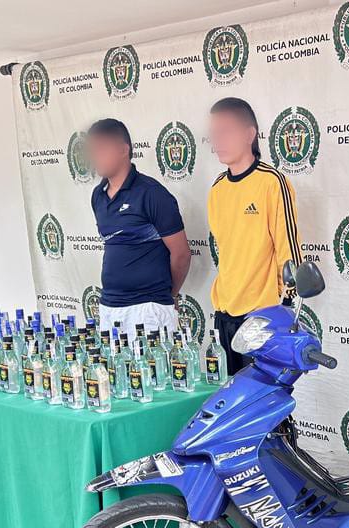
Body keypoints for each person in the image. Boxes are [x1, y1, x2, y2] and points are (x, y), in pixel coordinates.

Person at [207, 97, 302, 374]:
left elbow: (289, 252)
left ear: (249, 134)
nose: (218, 141)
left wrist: (283, 306)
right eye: (214, 134)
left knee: (263, 403)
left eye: (226, 131)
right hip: (225, 315)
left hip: (260, 317)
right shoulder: (217, 188)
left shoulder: (272, 182)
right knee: (230, 402)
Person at [87, 118, 190, 334]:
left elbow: (181, 254)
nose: (94, 157)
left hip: (148, 309)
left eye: (100, 149)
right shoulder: (98, 196)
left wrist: (166, 297)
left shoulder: (151, 193)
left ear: (123, 150)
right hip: (110, 307)